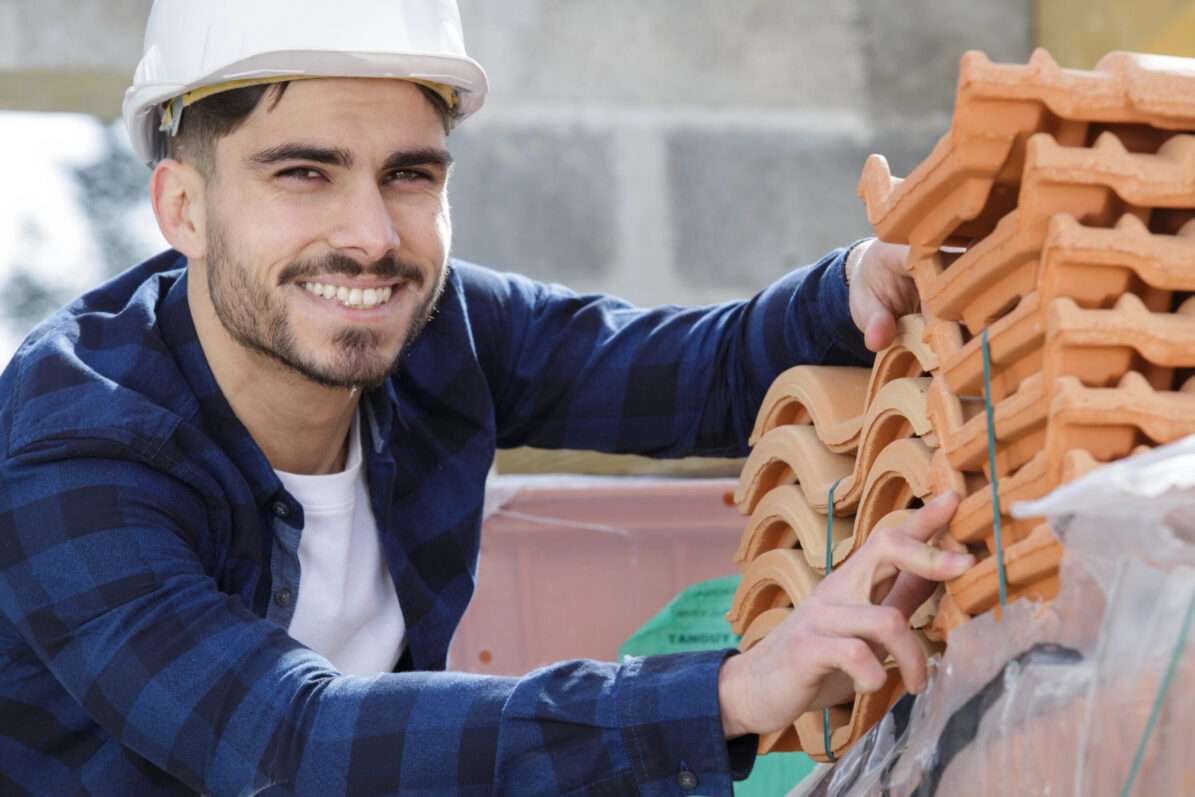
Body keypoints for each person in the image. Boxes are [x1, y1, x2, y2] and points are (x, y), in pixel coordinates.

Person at [0, 1, 972, 794]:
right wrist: (725, 691)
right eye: (303, 173)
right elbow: (285, 744)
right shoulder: (78, 444)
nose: (372, 235)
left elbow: (694, 373)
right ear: (183, 207)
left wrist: (853, 288)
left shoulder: (439, 327)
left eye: (409, 174)